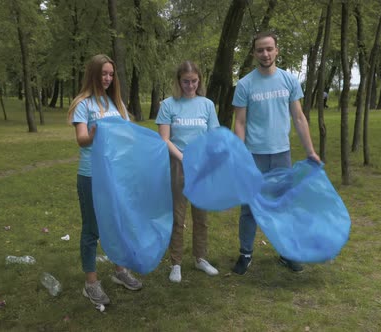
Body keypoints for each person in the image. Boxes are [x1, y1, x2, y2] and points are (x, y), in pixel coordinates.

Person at [231, 31, 321, 275]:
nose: (265, 53)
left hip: (281, 153)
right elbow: (239, 122)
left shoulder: (289, 81)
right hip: (253, 155)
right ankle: (245, 254)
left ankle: (286, 253)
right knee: (250, 207)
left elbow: (299, 118)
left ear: (277, 50)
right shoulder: (245, 84)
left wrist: (310, 151)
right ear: (254, 53)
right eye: (260, 50)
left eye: (269, 48)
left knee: (283, 204)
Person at [68, 54, 143, 306]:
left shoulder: (117, 105)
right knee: (92, 229)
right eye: (103, 73)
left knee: (117, 223)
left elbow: (127, 138)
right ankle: (91, 284)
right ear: (93, 74)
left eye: (111, 74)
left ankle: (120, 271)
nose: (108, 78)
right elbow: (81, 139)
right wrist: (93, 133)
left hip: (115, 175)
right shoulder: (83, 104)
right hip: (91, 175)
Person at [156, 61, 220, 283]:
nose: (190, 86)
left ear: (199, 80)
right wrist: (184, 158)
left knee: (201, 216)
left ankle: (200, 258)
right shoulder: (168, 105)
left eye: (194, 81)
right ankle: (176, 262)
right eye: (185, 81)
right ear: (178, 81)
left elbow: (214, 137)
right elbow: (164, 139)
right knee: (178, 216)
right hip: (178, 164)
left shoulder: (207, 105)